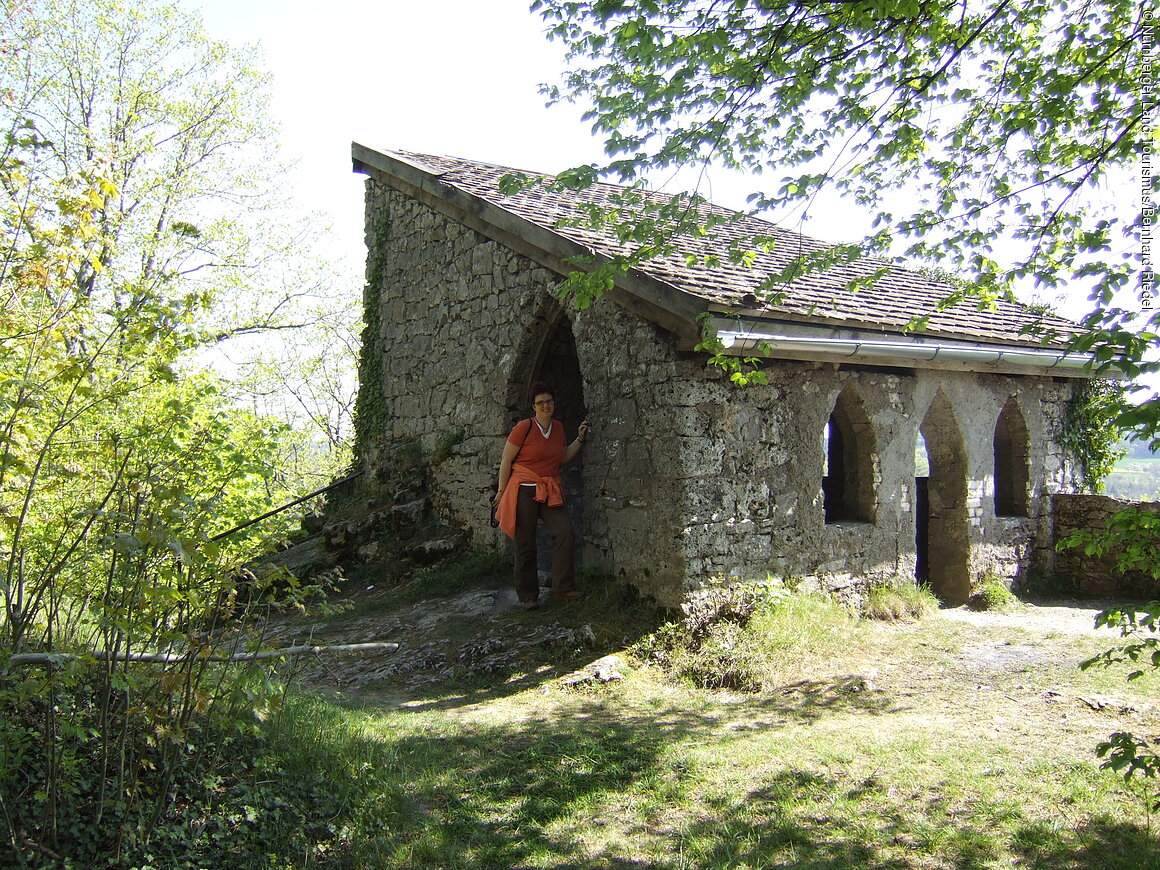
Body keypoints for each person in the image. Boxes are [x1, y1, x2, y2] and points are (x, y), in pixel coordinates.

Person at [493, 382, 590, 610]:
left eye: (549, 401)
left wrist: (580, 439)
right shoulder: (523, 428)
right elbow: (507, 460)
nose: (545, 406)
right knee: (526, 542)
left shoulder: (557, 428)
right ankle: (528, 596)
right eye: (540, 403)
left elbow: (562, 457)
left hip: (548, 489)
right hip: (524, 489)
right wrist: (501, 491)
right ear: (533, 406)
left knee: (564, 532)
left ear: (553, 403)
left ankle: (562, 588)